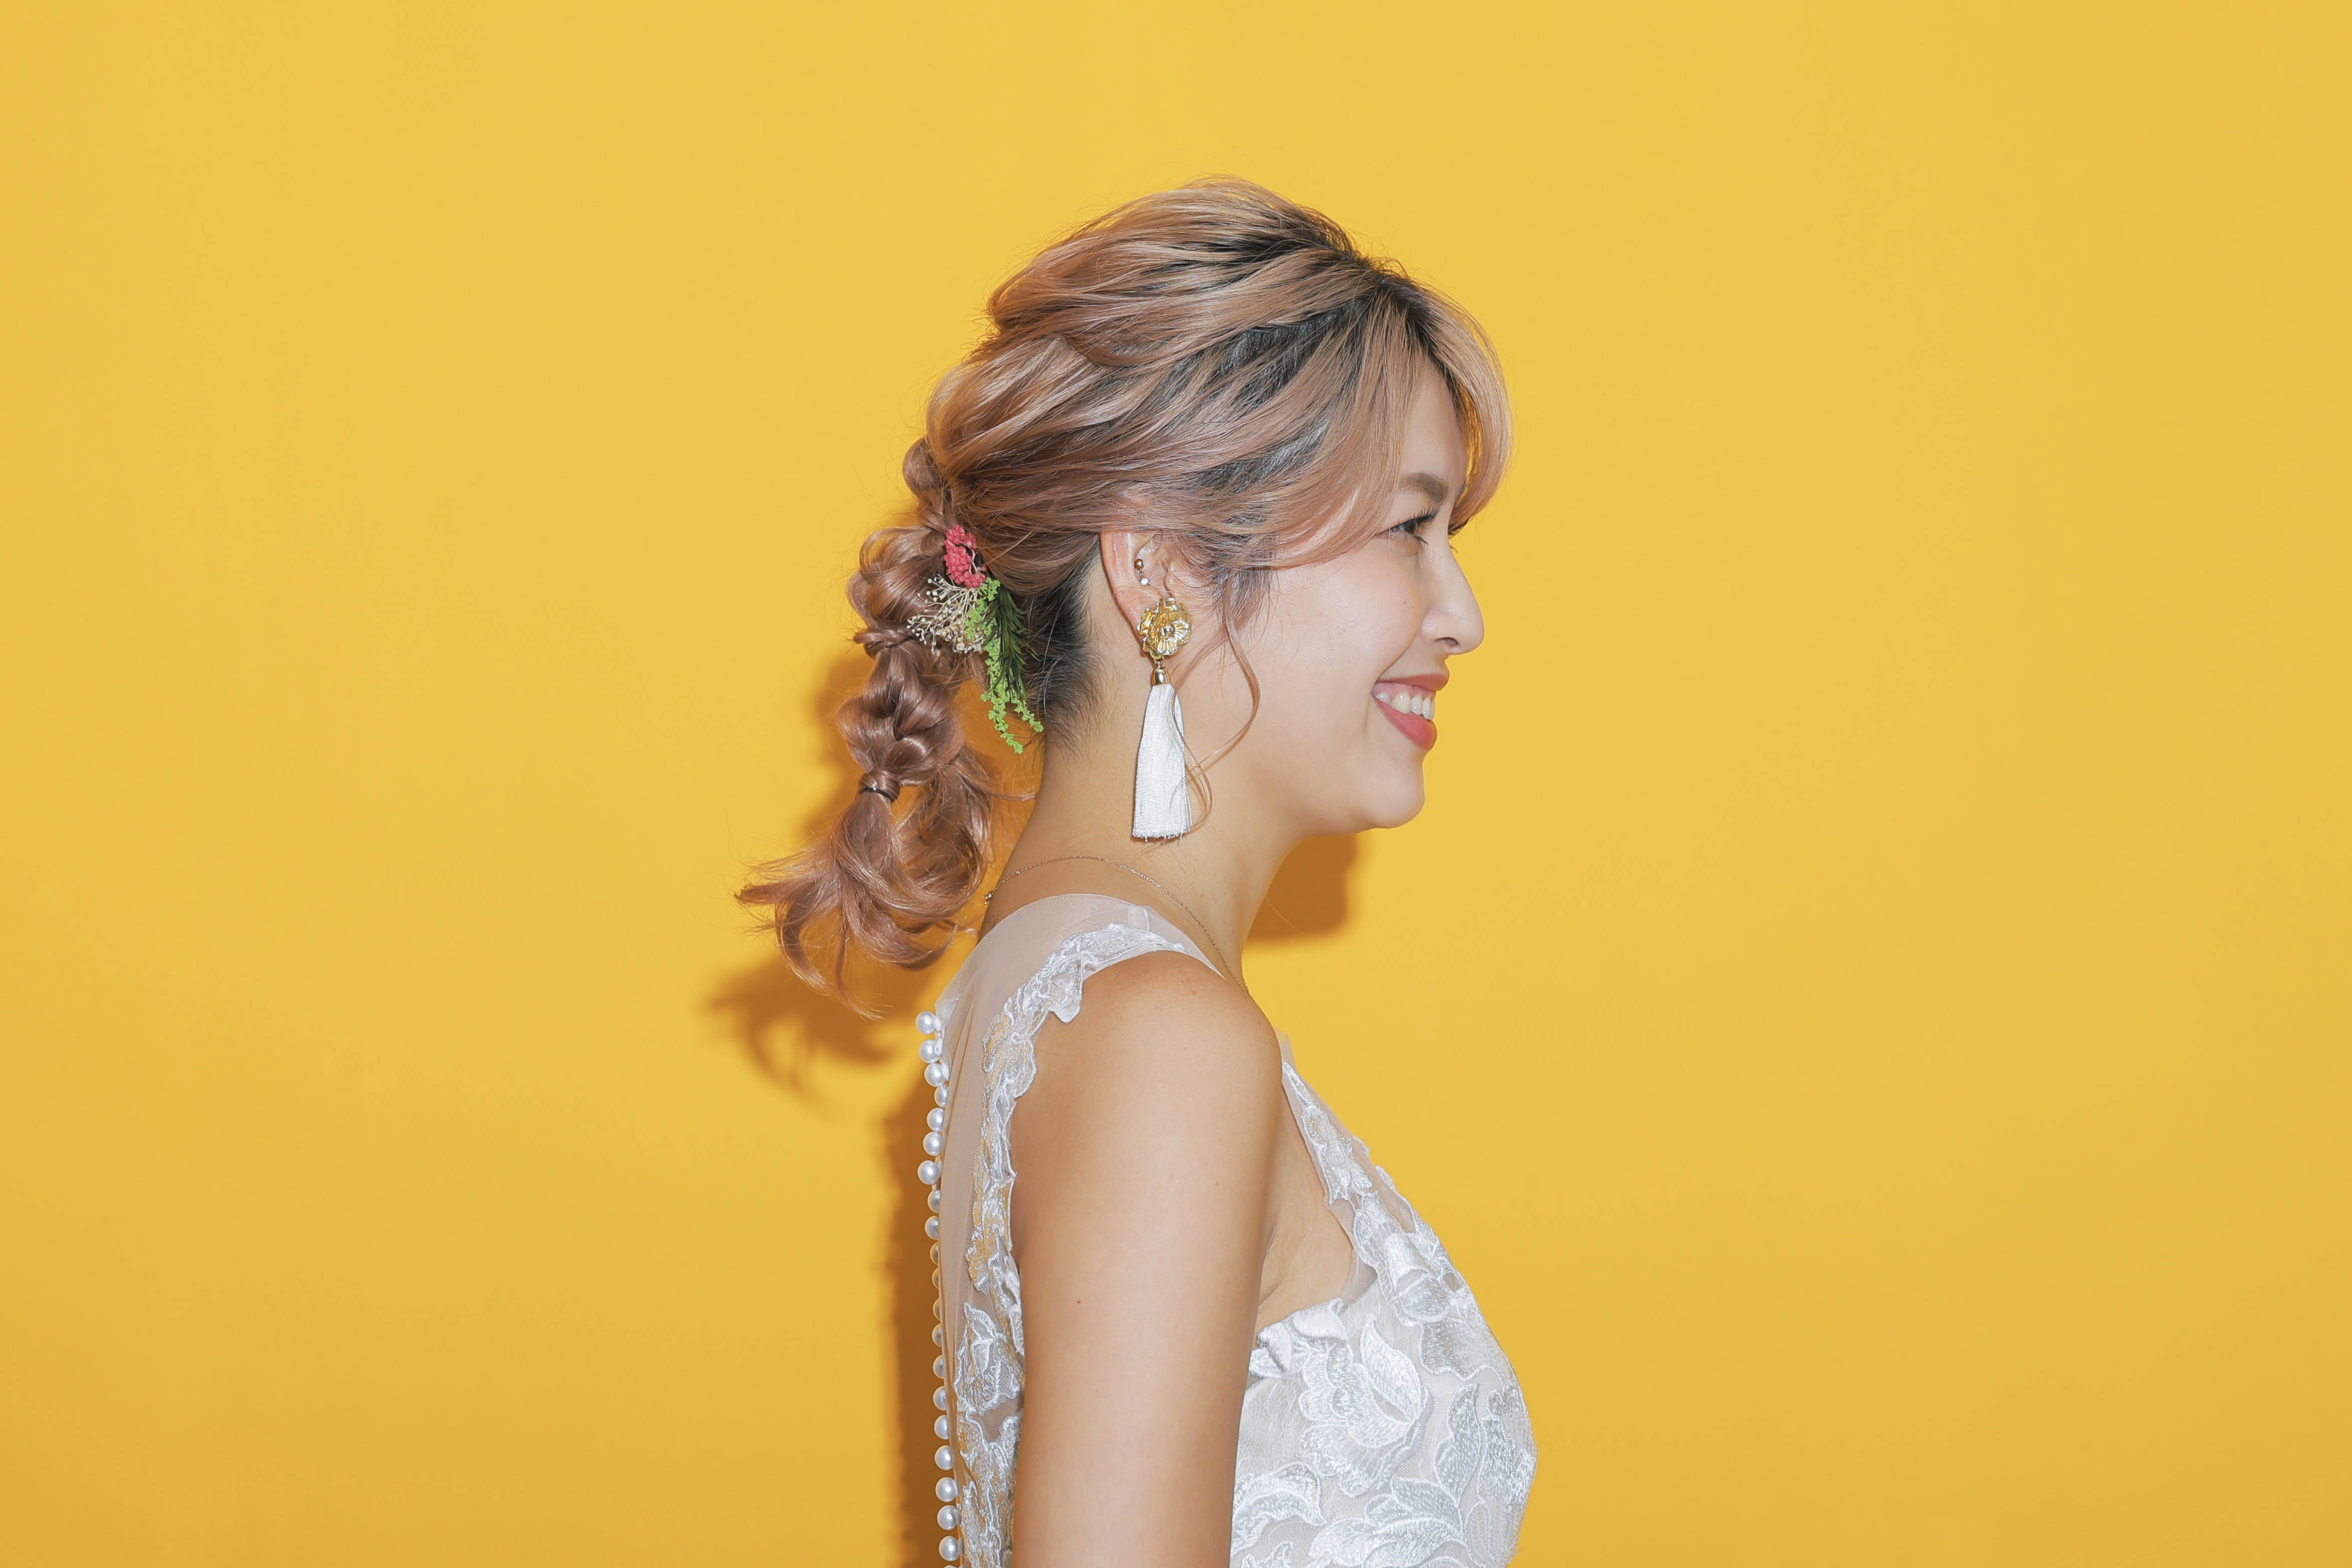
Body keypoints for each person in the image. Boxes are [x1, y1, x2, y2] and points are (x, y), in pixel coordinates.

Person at [743, 179, 1535, 1568]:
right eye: (1408, 529)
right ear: (1161, 574)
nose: (1461, 614)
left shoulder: (1060, 984)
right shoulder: (1158, 1032)